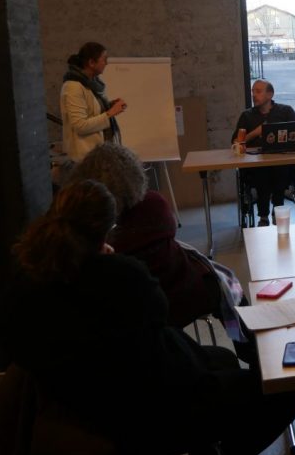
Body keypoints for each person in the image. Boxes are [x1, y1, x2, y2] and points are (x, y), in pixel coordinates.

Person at [1, 180, 295, 455]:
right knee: (284, 393)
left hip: (86, 409)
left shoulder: (27, 283)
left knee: (222, 357)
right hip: (153, 413)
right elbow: (159, 311)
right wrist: (109, 261)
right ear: (106, 231)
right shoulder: (120, 277)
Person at [67, 143, 246, 334]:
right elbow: (170, 229)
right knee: (229, 289)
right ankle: (245, 344)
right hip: (177, 292)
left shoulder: (89, 226)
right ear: (133, 174)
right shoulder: (152, 205)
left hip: (130, 313)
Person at [233, 78, 295, 226]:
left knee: (280, 169)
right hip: (256, 164)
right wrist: (255, 133)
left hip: (282, 162)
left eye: (258, 91)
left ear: (270, 95)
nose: (253, 95)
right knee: (261, 171)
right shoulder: (247, 116)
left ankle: (277, 210)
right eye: (252, 91)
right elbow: (236, 142)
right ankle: (263, 215)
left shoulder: (286, 111)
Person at [60, 42, 127, 161]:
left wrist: (109, 105)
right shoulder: (73, 87)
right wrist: (110, 113)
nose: (106, 63)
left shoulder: (92, 84)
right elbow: (80, 126)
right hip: (85, 159)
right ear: (91, 63)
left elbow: (93, 111)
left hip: (97, 155)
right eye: (104, 59)